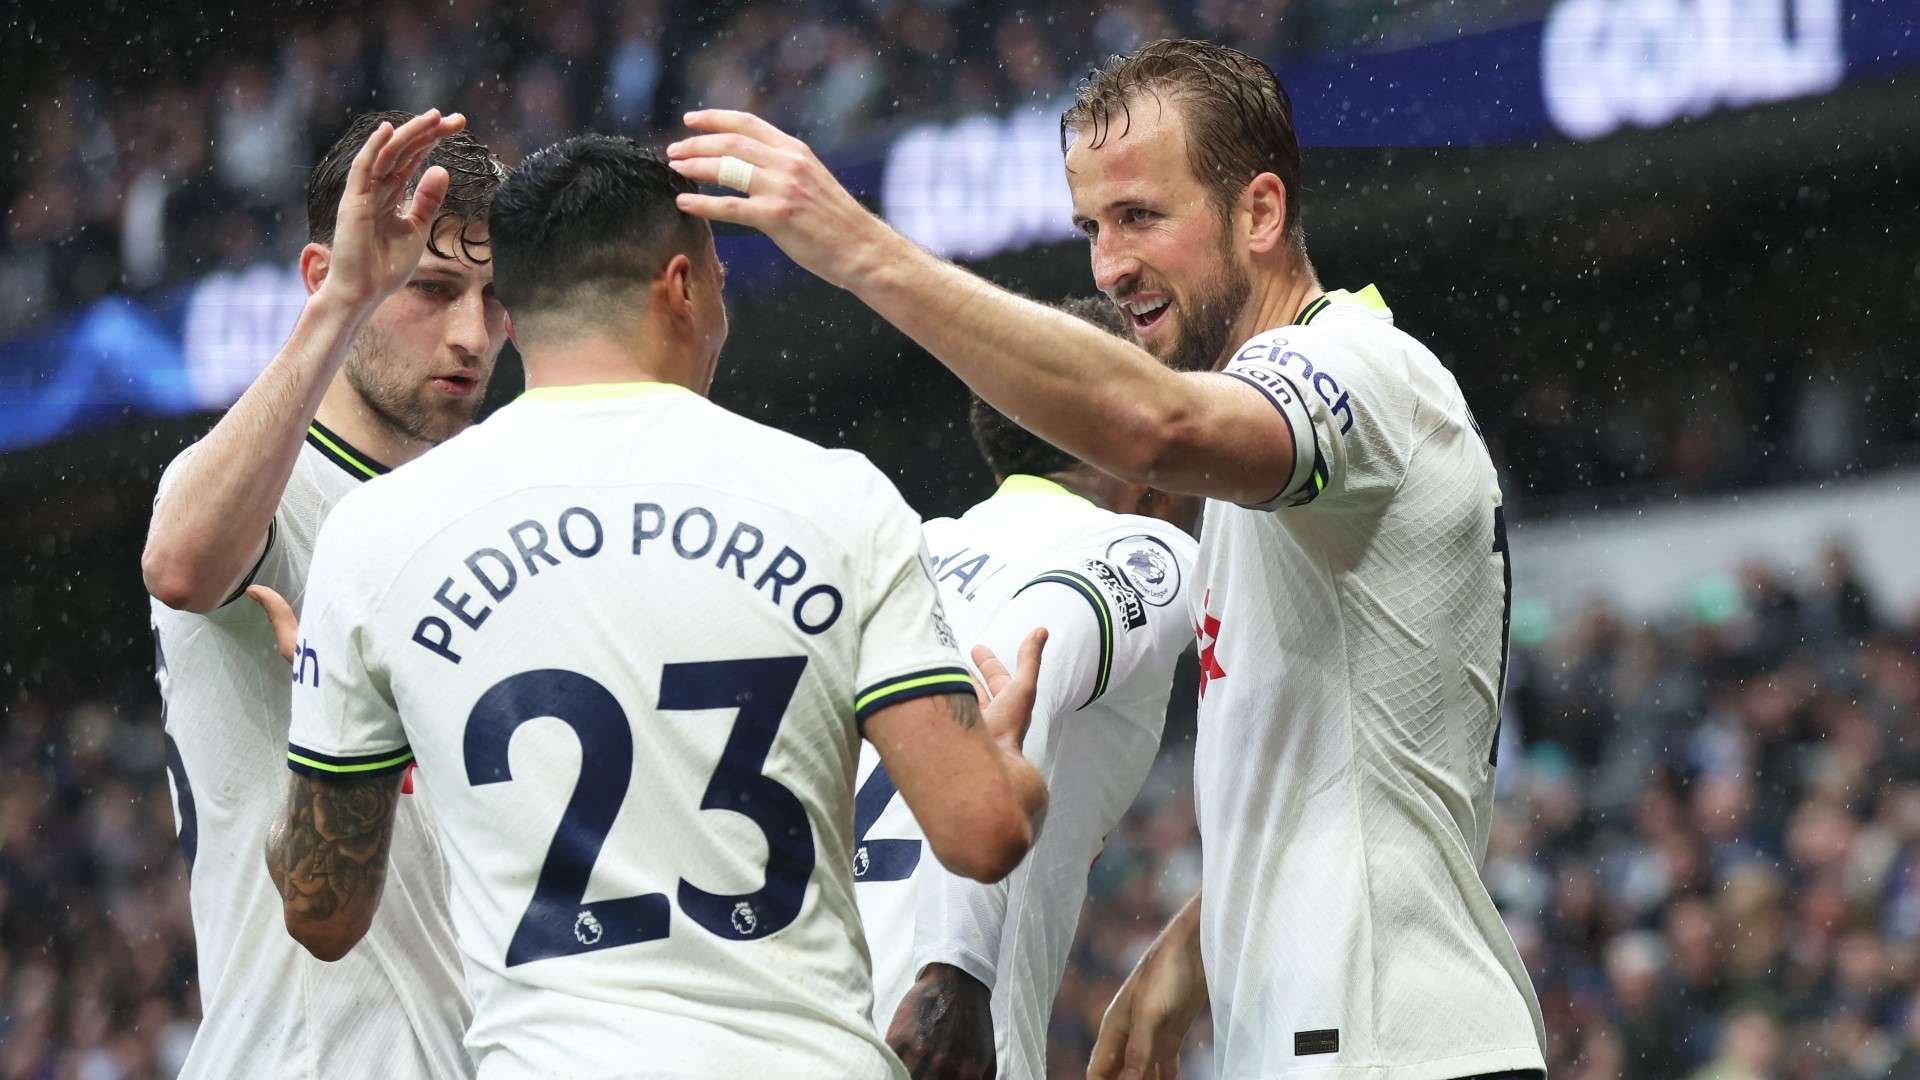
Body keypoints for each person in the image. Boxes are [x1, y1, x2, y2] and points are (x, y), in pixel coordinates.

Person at [663, 36, 1547, 1080]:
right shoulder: (1270, 485)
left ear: (1259, 212)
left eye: (1141, 217)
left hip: (1397, 1047)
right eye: (1092, 226)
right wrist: (1195, 949)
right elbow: (1362, 772)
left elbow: (1154, 429)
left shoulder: (1350, 365)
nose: (1109, 265)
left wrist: (864, 252)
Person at [266, 135, 1050, 1079]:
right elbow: (981, 833)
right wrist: (1012, 772)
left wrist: (345, 733)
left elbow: (324, 913)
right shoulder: (836, 497)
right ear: (681, 284)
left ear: (512, 311)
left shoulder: (379, 536)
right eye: (717, 282)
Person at [142, 108, 506, 1079]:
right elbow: (180, 562)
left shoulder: (495, 516)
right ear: (321, 276)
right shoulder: (275, 484)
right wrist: (345, 302)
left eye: (494, 297)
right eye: (430, 289)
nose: (472, 334)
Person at [864, 297, 1199, 1080]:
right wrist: (955, 968)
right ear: (1126, 418)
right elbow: (1024, 668)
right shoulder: (1142, 547)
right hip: (933, 1039)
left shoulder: (906, 552)